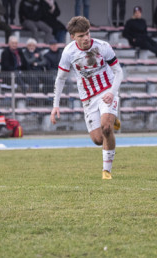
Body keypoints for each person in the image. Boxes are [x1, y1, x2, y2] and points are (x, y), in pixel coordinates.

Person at [51, 16, 124, 179]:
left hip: (107, 90)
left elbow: (119, 71)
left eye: (87, 33)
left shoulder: (103, 47)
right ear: (73, 37)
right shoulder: (69, 52)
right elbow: (61, 78)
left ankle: (107, 171)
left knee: (106, 128)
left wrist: (112, 92)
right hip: (88, 98)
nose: (86, 38)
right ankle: (114, 120)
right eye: (81, 36)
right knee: (98, 139)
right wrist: (55, 105)